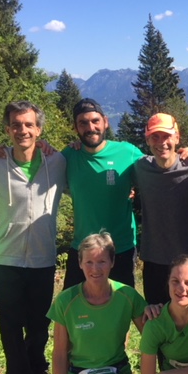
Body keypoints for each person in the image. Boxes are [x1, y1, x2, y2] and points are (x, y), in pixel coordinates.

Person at [0, 101, 66, 374]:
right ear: (8, 129)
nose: (22, 130)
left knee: (40, 323)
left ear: (39, 130)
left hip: (43, 257)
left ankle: (37, 369)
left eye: (29, 125)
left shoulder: (56, 162)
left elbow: (85, 179)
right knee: (11, 325)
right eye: (16, 125)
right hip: (7, 258)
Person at [48, 232, 146, 374]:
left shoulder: (127, 295)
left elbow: (151, 338)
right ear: (80, 264)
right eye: (89, 262)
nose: (95, 269)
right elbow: (59, 355)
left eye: (102, 261)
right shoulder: (66, 301)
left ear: (112, 262)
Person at [62, 98, 143, 289]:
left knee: (121, 304)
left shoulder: (127, 152)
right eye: (83, 123)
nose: (90, 127)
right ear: (75, 127)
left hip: (120, 248)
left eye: (95, 121)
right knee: (71, 303)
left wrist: (186, 156)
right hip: (83, 249)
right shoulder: (68, 156)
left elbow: (159, 170)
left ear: (105, 122)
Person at [134, 113, 188, 305]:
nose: (162, 143)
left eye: (166, 136)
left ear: (177, 137)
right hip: (154, 263)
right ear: (147, 140)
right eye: (155, 137)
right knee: (158, 318)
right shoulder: (140, 167)